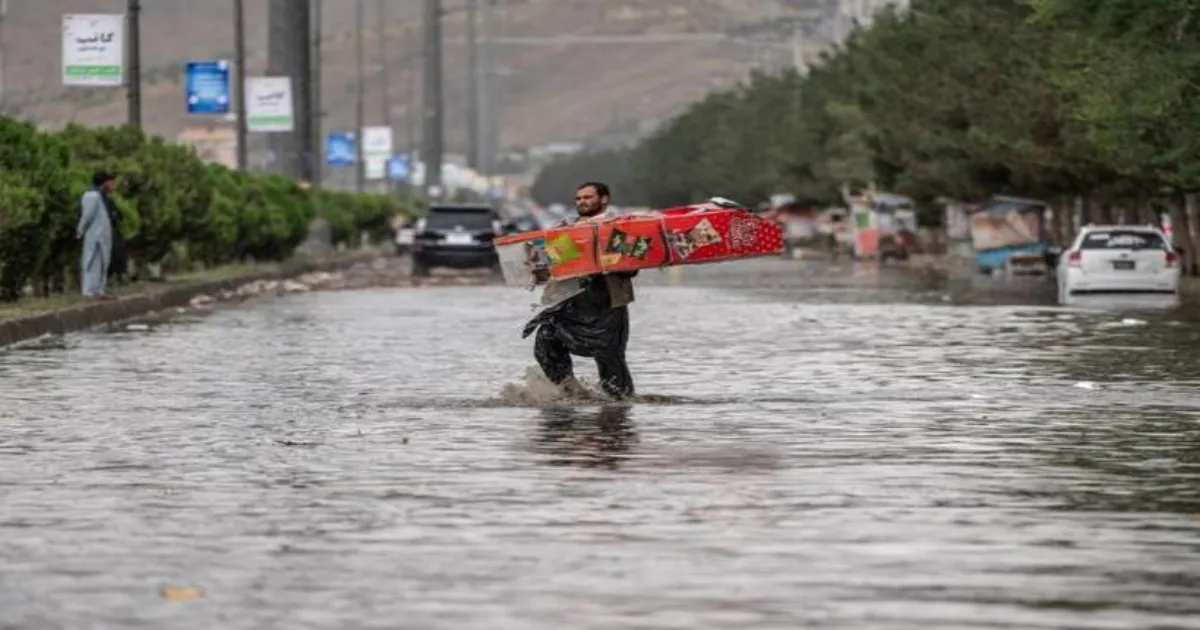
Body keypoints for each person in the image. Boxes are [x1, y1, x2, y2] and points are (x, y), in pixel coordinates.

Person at [522, 182, 638, 400]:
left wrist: (607, 259)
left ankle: (621, 405)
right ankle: (569, 392)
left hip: (606, 305)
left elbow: (632, 268)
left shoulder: (618, 228)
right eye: (579, 198)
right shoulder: (565, 229)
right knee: (546, 340)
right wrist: (537, 266)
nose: (582, 202)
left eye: (587, 197)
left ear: (604, 199)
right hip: (569, 302)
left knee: (610, 360)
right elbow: (550, 265)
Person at [77, 172, 117, 300]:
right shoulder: (91, 196)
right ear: (105, 182)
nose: (113, 186)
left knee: (102, 264)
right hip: (94, 235)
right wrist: (80, 230)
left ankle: (99, 290)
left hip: (103, 236)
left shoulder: (102, 196)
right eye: (111, 183)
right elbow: (87, 215)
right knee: (91, 262)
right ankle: (89, 291)